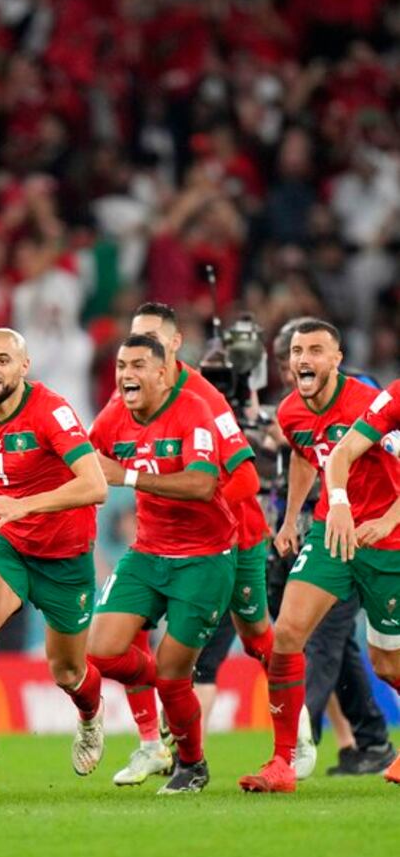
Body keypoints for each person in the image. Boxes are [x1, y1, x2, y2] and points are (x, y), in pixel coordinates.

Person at [110, 303, 278, 786]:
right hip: (154, 548)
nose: (136, 357)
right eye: (130, 347)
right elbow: (93, 452)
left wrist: (191, 501)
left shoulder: (204, 399)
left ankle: (294, 740)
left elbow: (244, 479)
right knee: (119, 644)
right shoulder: (127, 397)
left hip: (230, 539)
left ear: (173, 346)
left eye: (148, 344)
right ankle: (151, 740)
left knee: (258, 638)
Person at [240, 321, 400, 792]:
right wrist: (291, 519)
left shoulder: (372, 402)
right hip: (333, 531)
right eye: (296, 351)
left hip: (384, 541)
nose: (304, 359)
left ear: (336, 359)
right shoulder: (290, 412)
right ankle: (283, 762)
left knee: (387, 664)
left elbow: (348, 455)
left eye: (315, 350)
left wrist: (390, 519)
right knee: (287, 632)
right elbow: (308, 454)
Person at [0, 328, 108, 784]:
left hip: (65, 553)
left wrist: (25, 503)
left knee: (68, 671)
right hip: (7, 540)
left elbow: (95, 486)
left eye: (1, 360)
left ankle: (92, 718)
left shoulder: (51, 412)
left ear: (24, 367)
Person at [88, 334, 237, 794]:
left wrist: (128, 475)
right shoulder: (114, 417)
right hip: (148, 554)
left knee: (175, 671)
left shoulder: (191, 409)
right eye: (119, 365)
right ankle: (174, 694)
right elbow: (82, 463)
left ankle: (192, 765)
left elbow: (202, 485)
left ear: (160, 372)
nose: (126, 374)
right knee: (100, 651)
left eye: (136, 365)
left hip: (204, 560)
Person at [324, 376, 400, 786]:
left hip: (393, 532)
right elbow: (343, 451)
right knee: (385, 663)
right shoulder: (393, 396)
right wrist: (339, 503)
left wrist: (388, 518)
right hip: (388, 542)